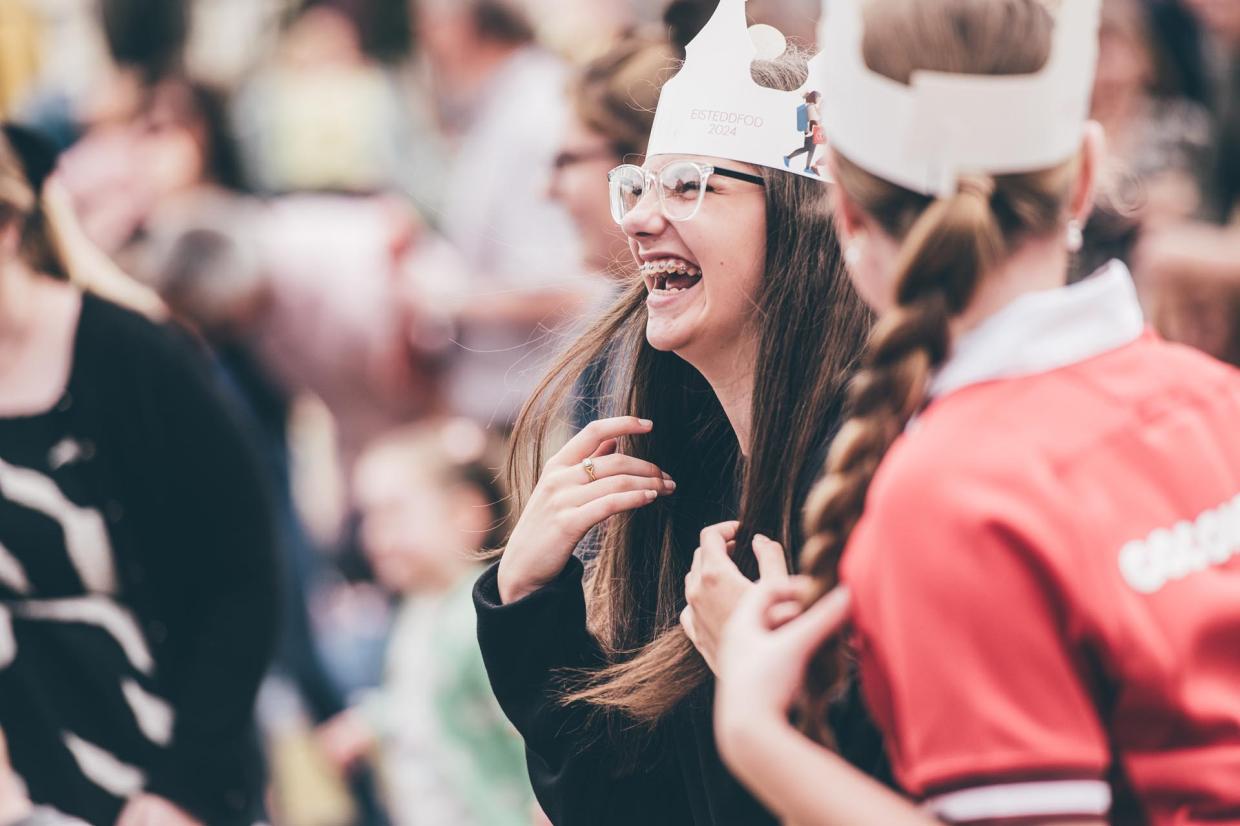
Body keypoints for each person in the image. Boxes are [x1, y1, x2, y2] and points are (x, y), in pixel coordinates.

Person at [712, 1, 1240, 824]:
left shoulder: (949, 493)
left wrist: (754, 732)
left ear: (847, 212)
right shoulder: (1216, 398)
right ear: (1087, 174)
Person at [472, 2, 882, 822]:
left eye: (690, 184)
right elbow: (628, 805)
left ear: (804, 223)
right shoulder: (684, 481)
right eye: (640, 184)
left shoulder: (873, 480)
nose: (637, 217)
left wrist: (773, 693)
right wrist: (526, 596)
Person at [0, 126, 277, 825]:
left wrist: (180, 791)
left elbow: (245, 581)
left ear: (7, 225)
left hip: (164, 773)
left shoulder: (132, 358)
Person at [316, 421, 537, 826]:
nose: (374, 538)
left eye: (393, 515)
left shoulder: (480, 614)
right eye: (368, 519)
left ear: (464, 514)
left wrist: (543, 803)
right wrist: (370, 723)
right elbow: (422, 700)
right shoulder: (416, 610)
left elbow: (527, 720)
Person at [783, 90, 823, 175]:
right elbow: (814, 119)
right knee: (807, 149)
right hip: (812, 132)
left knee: (810, 150)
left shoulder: (811, 105)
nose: (819, 100)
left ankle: (807, 168)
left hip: (812, 131)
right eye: (818, 98)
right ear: (815, 98)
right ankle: (788, 158)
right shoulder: (811, 107)